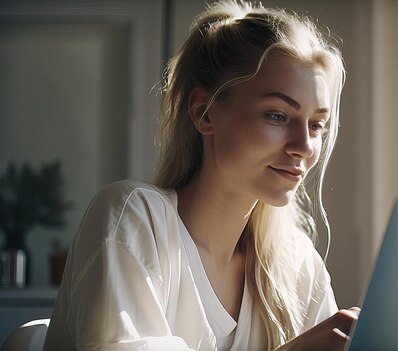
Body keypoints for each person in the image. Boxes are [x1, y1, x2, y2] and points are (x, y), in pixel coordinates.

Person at [43, 1, 359, 350]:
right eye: (277, 116)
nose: (304, 145)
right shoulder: (133, 219)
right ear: (204, 113)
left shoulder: (297, 265)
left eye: (316, 125)